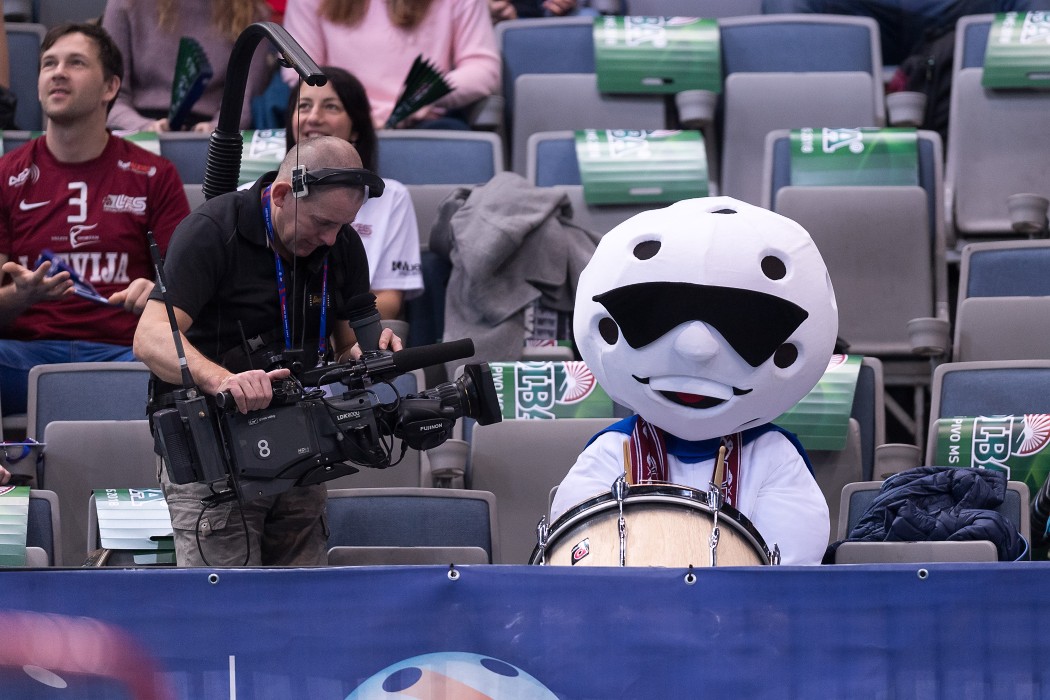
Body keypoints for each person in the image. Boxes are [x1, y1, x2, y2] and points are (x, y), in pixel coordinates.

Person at [134, 135, 402, 567]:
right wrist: (224, 380)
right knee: (227, 616)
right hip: (215, 454)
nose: (332, 239)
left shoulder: (340, 245)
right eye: (322, 223)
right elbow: (149, 338)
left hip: (302, 445)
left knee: (301, 613)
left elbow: (350, 343)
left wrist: (368, 351)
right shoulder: (211, 231)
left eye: (343, 225)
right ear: (281, 194)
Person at [549, 197, 838, 566]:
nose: (697, 348)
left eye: (745, 328)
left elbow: (787, 569)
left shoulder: (772, 456)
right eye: (652, 318)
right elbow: (577, 558)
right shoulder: (612, 450)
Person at [0, 22, 190, 415]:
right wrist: (22, 296)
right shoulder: (6, 175)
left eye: (76, 63)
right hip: (23, 357)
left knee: (187, 368)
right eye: (48, 63)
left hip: (126, 353)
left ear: (110, 88)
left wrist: (154, 293)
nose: (58, 72)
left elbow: (188, 290)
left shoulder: (154, 173)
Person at [286, 67, 423, 320]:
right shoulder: (255, 195)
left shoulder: (391, 197)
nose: (313, 117)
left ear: (356, 127)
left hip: (352, 338)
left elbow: (390, 302)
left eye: (331, 107)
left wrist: (325, 323)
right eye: (304, 106)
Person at [281, 0, 499, 130]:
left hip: (422, 125)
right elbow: (300, 70)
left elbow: (483, 67)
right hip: (339, 125)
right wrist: (350, 112)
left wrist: (418, 97)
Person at [102, 0, 271, 132]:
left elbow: (243, 101)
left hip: (214, 130)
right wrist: (144, 127)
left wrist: (219, 130)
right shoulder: (126, 4)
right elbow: (111, 97)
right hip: (138, 126)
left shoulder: (251, 12)